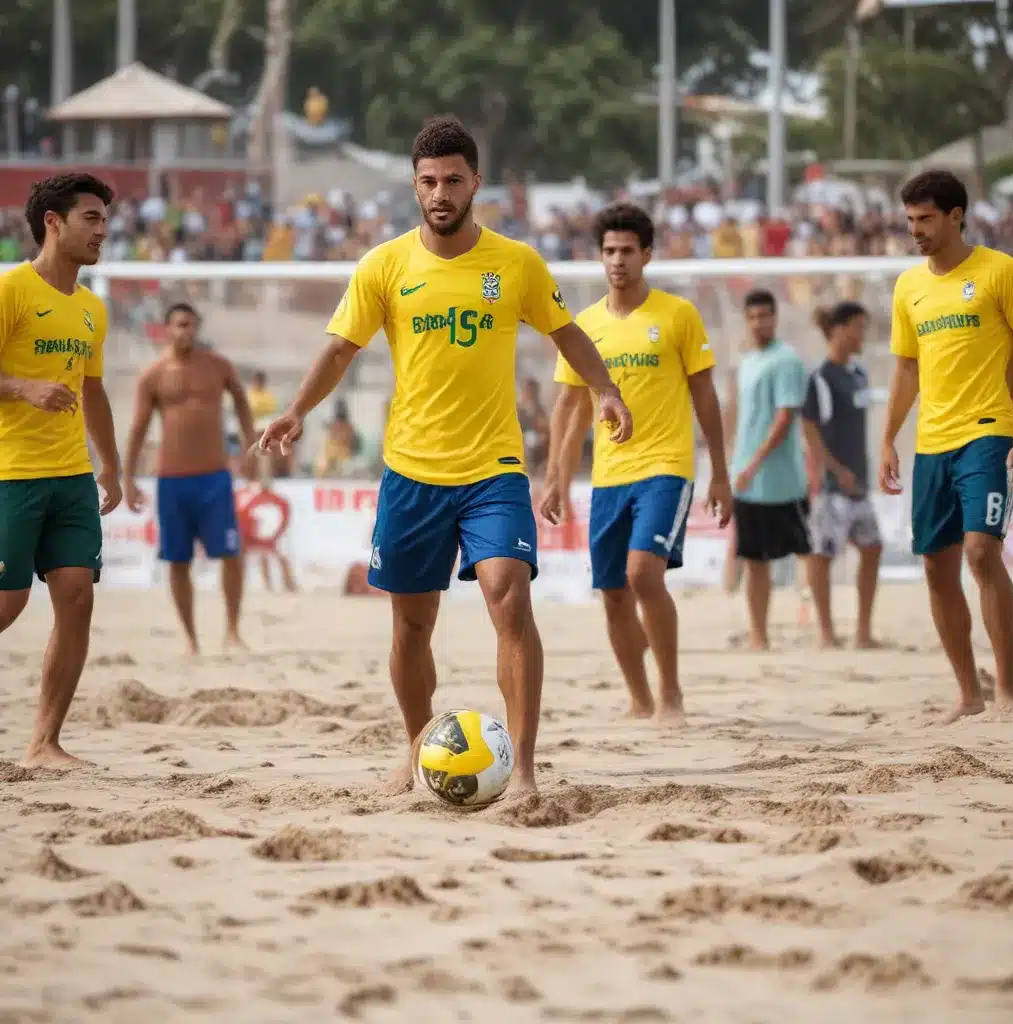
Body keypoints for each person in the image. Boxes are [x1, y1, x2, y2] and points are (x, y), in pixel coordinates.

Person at [259, 116, 631, 797]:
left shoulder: (515, 263)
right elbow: (341, 348)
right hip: (411, 472)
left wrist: (605, 389)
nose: (440, 191)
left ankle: (522, 766)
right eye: (428, 181)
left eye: (453, 180)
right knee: (410, 624)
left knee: (508, 598)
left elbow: (567, 332)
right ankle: (414, 743)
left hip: (493, 469)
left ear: (475, 184)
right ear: (414, 185)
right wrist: (295, 411)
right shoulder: (385, 265)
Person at [540, 203, 731, 720]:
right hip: (608, 477)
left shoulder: (678, 316)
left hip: (667, 466)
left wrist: (720, 471)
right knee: (613, 593)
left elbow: (706, 398)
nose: (617, 260)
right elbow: (569, 408)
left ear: (647, 254)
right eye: (608, 251)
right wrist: (555, 478)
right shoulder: (584, 326)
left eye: (627, 250)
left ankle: (670, 692)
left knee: (645, 573)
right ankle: (639, 697)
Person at [880, 169, 1013, 723]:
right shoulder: (908, 287)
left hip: (988, 432)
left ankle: (1008, 691)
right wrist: (888, 438)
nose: (916, 230)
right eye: (910, 220)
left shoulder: (1000, 272)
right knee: (936, 568)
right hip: (931, 443)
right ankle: (969, 695)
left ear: (956, 215)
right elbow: (905, 369)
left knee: (981, 551)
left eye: (926, 218)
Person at [0, 173, 122, 767]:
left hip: (72, 476)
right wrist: (22, 386)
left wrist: (113, 467)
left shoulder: (93, 309)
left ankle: (44, 743)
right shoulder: (11, 291)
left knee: (76, 599)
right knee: (7, 604)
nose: (103, 230)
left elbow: (93, 393)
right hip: (10, 474)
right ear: (53, 222)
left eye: (104, 220)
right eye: (91, 218)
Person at [122, 303, 256, 655]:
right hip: (171, 479)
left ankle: (232, 631)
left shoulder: (217, 366)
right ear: (166, 328)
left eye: (193, 325)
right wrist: (127, 477)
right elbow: (137, 429)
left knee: (231, 553)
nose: (187, 331)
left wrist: (250, 447)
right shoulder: (152, 375)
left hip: (214, 477)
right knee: (178, 560)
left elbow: (242, 403)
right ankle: (191, 639)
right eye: (181, 325)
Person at [728, 289, 811, 650]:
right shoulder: (747, 361)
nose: (759, 322)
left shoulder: (786, 360)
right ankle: (759, 636)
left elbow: (784, 417)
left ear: (775, 318)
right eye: (753, 316)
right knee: (754, 559)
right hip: (748, 480)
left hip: (782, 480)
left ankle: (818, 627)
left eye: (765, 315)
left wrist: (755, 461)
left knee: (807, 552)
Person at [802, 301, 883, 649]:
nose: (863, 334)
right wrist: (834, 469)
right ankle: (825, 631)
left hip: (860, 483)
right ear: (839, 329)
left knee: (873, 548)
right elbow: (809, 427)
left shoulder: (859, 374)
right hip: (834, 487)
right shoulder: (821, 378)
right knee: (822, 555)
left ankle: (863, 632)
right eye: (858, 327)